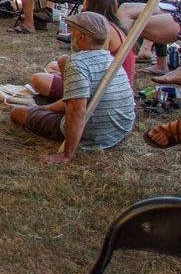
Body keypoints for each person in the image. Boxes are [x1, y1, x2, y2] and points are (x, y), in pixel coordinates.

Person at [9, 12, 135, 164]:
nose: (70, 35)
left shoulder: (78, 64)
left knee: (18, 113)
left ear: (81, 37)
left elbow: (77, 112)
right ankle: (44, 109)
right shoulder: (112, 59)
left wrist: (66, 154)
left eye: (72, 31)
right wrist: (48, 108)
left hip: (94, 133)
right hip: (119, 130)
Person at [28, 0, 137, 100]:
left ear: (93, 5)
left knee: (38, 79)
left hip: (109, 90)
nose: (83, 7)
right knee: (53, 66)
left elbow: (92, 67)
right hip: (114, 83)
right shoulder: (114, 26)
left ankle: (68, 93)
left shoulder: (103, 30)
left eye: (85, 2)